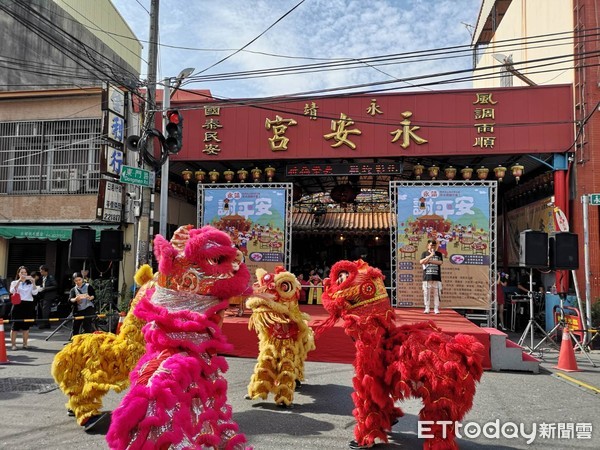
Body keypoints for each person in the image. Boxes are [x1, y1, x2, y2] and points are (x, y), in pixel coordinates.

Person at [9, 266, 40, 350]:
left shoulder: (30, 283)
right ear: (18, 273)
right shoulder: (14, 282)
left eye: (25, 272)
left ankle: (25, 344)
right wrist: (19, 280)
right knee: (15, 326)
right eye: (21, 272)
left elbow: (35, 292)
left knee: (26, 326)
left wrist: (33, 282)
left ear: (27, 273)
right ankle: (13, 345)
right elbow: (12, 291)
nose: (23, 274)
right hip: (18, 304)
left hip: (28, 304)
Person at [419, 239, 443, 314]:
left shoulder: (439, 254)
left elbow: (440, 262)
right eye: (431, 245)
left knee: (437, 293)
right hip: (427, 277)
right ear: (428, 245)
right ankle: (427, 308)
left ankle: (436, 308)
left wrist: (429, 261)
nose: (432, 246)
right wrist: (430, 256)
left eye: (434, 245)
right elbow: (421, 262)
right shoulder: (424, 253)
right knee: (426, 293)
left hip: (436, 277)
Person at [37, 264, 58, 329]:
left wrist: (45, 288)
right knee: (43, 310)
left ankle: (45, 324)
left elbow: (55, 286)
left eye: (41, 270)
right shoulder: (42, 278)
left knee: (45, 310)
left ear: (44, 270)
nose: (40, 272)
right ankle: (46, 323)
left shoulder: (50, 277)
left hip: (49, 296)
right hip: (43, 296)